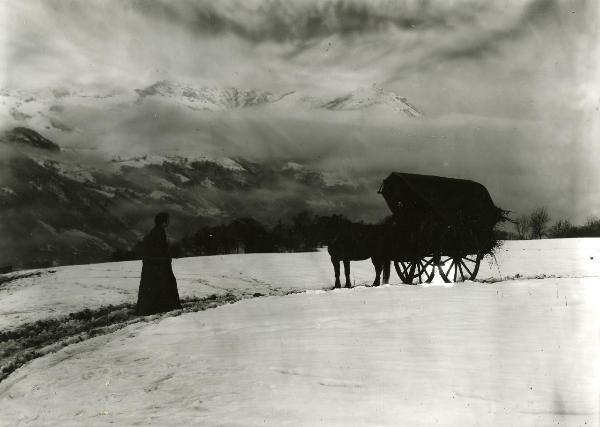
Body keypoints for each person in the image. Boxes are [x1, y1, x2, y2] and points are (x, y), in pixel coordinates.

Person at [136, 212, 182, 315]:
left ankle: (155, 307)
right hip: (159, 265)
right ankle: (165, 307)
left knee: (154, 287)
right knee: (166, 284)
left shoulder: (156, 231)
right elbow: (160, 250)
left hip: (153, 265)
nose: (169, 222)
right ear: (164, 222)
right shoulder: (160, 232)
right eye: (167, 220)